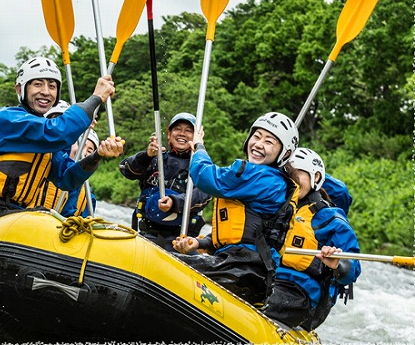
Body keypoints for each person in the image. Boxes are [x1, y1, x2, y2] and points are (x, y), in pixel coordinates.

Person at [0, 57, 124, 231]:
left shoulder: (46, 145)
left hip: (18, 214)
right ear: (20, 89)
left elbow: (66, 178)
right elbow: (56, 132)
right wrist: (95, 98)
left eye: (52, 86)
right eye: (38, 84)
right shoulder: (7, 119)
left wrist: (97, 155)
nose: (46, 92)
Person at [172, 112, 299, 307]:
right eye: (256, 137)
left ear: (285, 154)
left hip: (243, 268)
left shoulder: (263, 177)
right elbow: (245, 230)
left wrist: (198, 147)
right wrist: (199, 243)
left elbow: (207, 178)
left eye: (269, 141)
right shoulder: (272, 179)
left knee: (172, 266)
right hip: (243, 265)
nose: (258, 144)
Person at [264, 148, 361, 330]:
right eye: (287, 174)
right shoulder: (273, 207)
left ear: (315, 178)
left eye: (297, 174)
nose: (290, 180)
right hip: (267, 280)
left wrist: (338, 264)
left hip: (301, 295)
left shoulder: (329, 218)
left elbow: (353, 267)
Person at [119, 112, 212, 251]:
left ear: (196, 137)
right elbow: (126, 170)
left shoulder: (200, 167)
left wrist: (175, 202)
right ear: (169, 134)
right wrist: (146, 156)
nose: (182, 134)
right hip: (147, 234)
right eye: (177, 129)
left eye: (188, 130)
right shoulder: (155, 159)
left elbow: (204, 195)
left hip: (180, 240)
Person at [33, 101, 99, 218]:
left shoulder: (86, 194)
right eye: (81, 145)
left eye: (90, 151)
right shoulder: (34, 159)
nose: (84, 153)